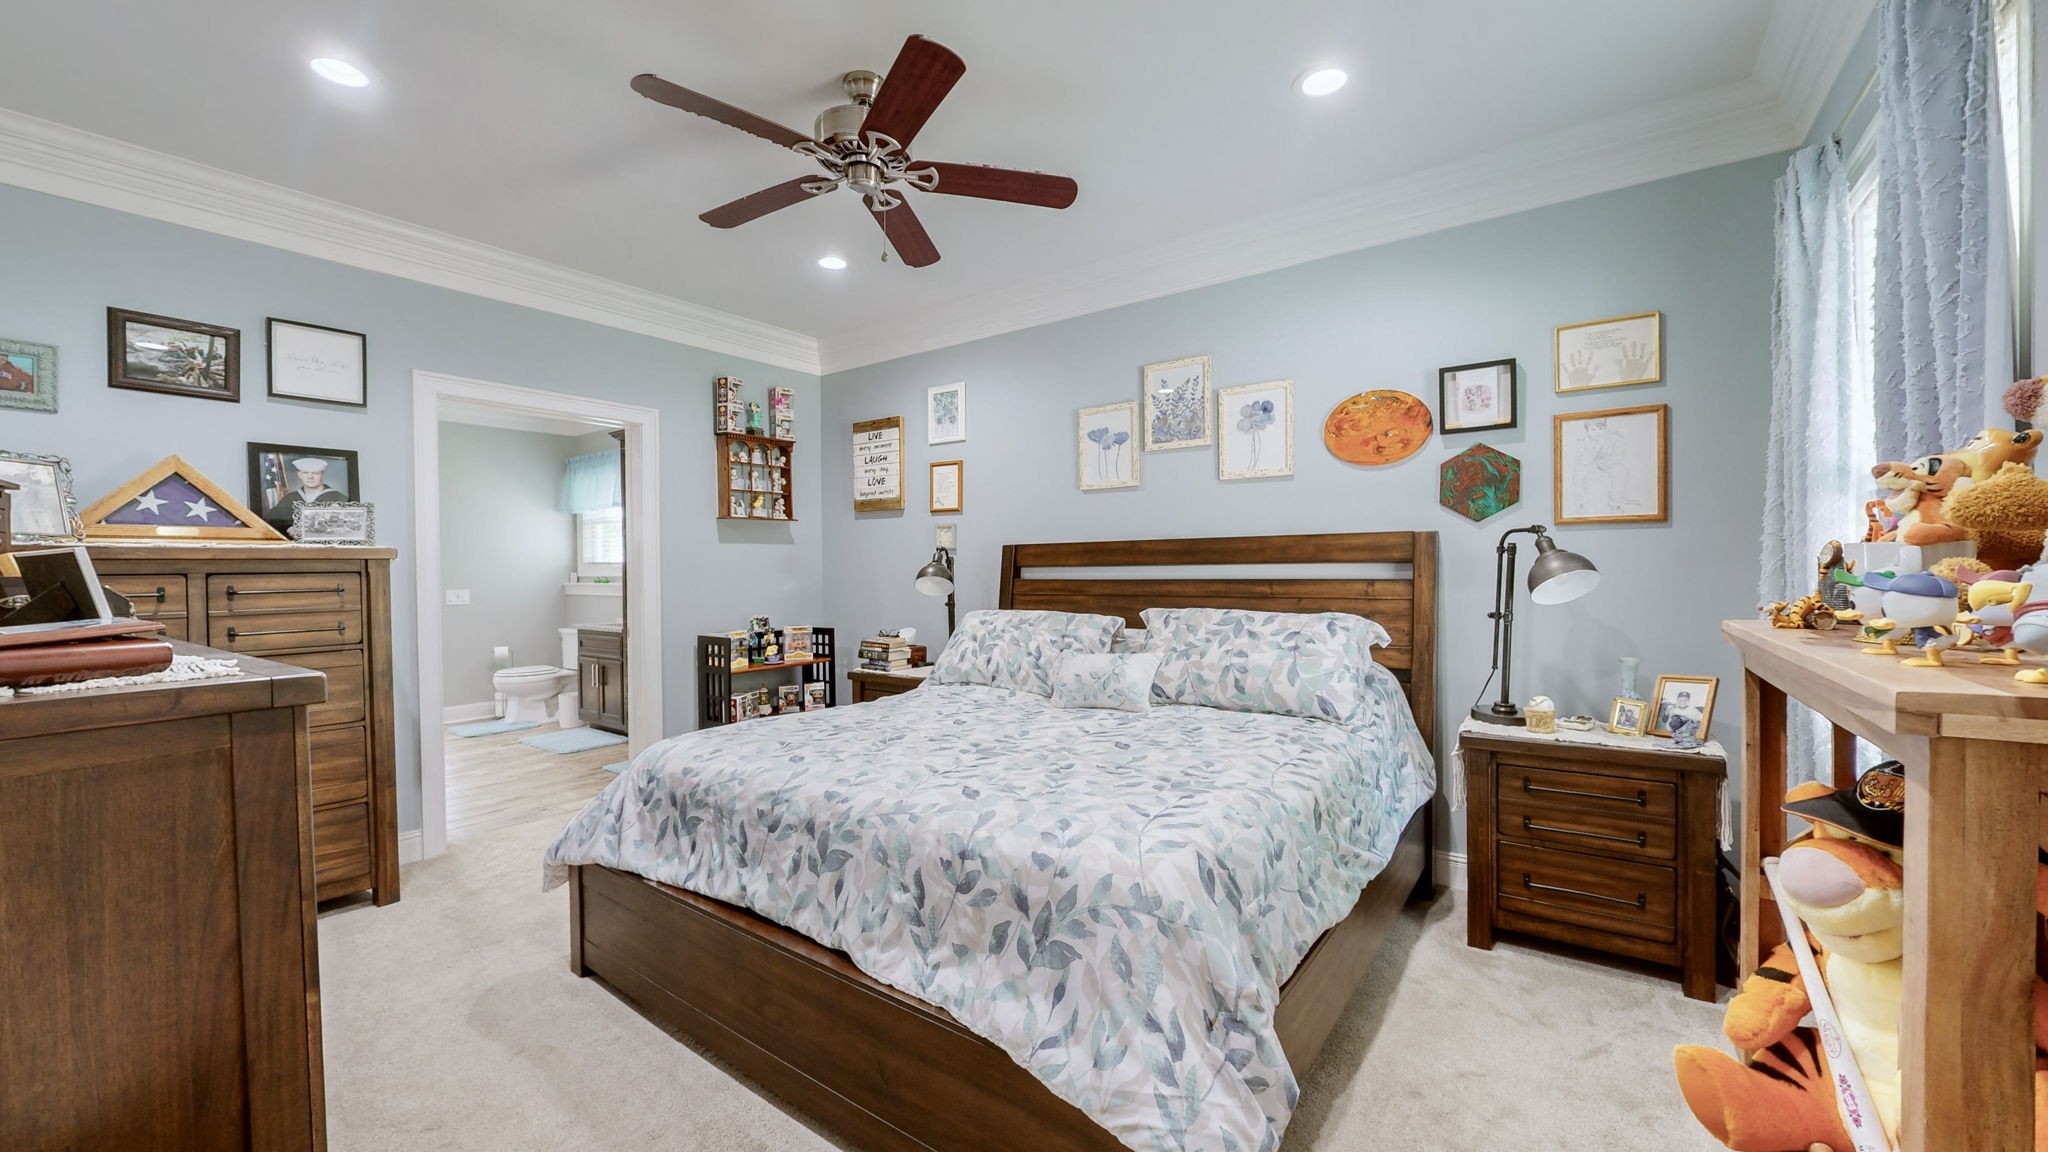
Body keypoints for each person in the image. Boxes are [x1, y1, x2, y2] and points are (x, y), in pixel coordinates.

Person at [264, 456, 346, 528]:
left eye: (315, 473)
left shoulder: (338, 497)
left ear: (323, 475)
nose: (310, 477)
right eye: (305, 472)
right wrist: (288, 528)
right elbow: (271, 522)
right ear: (299, 475)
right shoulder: (289, 498)